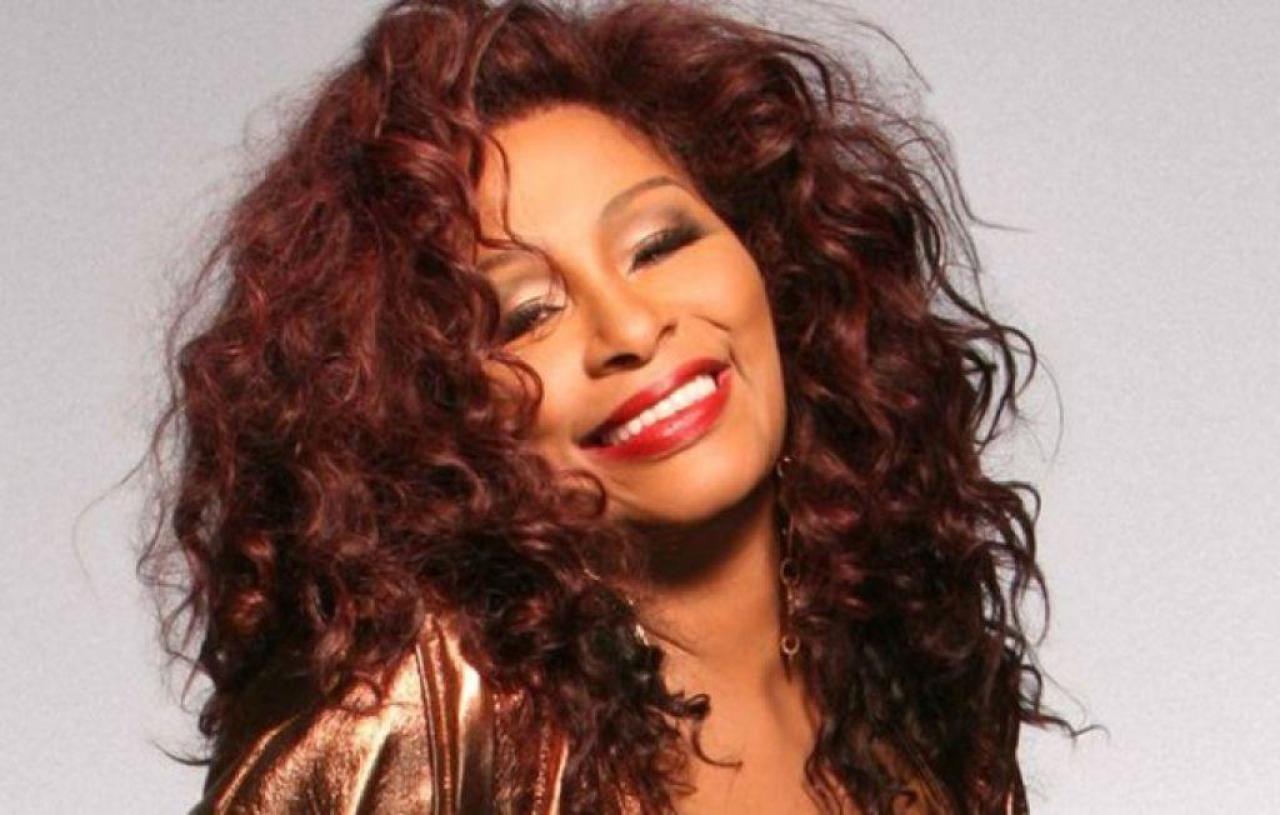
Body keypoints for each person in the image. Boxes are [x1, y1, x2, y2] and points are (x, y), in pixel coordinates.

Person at [141, 0, 1076, 811]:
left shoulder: (915, 674)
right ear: (435, 414)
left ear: (775, 262)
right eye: (526, 314)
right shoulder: (419, 705)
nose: (629, 326)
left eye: (659, 243)